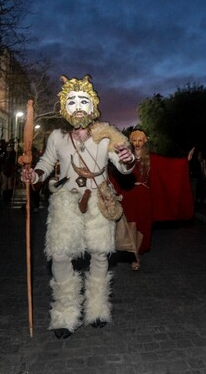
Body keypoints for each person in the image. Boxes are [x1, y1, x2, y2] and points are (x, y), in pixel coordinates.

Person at [21, 75, 135, 339]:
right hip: (66, 202)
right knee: (59, 255)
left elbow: (123, 165)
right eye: (72, 101)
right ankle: (65, 313)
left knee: (99, 254)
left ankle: (97, 309)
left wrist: (127, 157)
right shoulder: (57, 137)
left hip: (99, 201)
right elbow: (45, 165)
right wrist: (34, 176)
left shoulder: (107, 134)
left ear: (92, 105)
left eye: (83, 100)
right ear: (65, 107)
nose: (78, 106)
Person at [112, 129, 195, 271]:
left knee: (142, 227)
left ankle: (136, 253)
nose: (137, 143)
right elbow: (115, 174)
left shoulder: (151, 158)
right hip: (129, 196)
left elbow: (168, 166)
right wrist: (117, 192)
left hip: (144, 196)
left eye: (140, 140)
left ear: (145, 141)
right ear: (130, 141)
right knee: (130, 226)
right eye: (134, 140)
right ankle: (135, 257)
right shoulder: (125, 156)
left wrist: (184, 161)